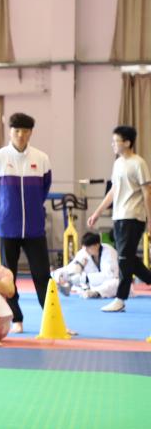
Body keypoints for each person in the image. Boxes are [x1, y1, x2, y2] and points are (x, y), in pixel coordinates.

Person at [0, 112, 52, 333]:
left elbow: (44, 188)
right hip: (7, 227)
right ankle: (16, 319)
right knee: (7, 275)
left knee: (42, 275)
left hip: (34, 227)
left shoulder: (41, 158)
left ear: (31, 133)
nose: (21, 135)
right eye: (17, 131)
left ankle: (51, 318)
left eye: (25, 131)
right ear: (10, 131)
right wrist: (5, 208)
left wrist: (33, 208)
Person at [86, 125, 151, 312]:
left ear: (128, 143)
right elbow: (113, 191)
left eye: (116, 141)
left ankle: (120, 299)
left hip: (134, 216)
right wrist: (97, 213)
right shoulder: (118, 164)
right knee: (127, 257)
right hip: (119, 216)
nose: (113, 144)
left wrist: (150, 219)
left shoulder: (138, 163)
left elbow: (147, 192)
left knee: (123, 258)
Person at [51, 231, 119, 299]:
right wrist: (60, 275)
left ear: (97, 245)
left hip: (109, 283)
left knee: (115, 283)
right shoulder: (84, 252)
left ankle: (96, 293)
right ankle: (70, 287)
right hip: (91, 285)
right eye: (84, 247)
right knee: (69, 274)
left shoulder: (109, 252)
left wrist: (85, 278)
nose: (86, 250)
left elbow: (109, 275)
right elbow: (71, 267)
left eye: (88, 247)